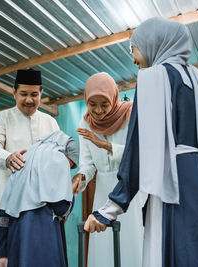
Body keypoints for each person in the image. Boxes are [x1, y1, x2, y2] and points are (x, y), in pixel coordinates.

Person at [84, 17, 198, 267]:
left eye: (134, 49)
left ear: (154, 43)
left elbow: (138, 150)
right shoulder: (197, 78)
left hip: (176, 181)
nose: (133, 59)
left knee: (178, 251)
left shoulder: (153, 77)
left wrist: (109, 210)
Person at [71, 72, 145, 267]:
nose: (98, 111)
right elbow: (88, 164)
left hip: (129, 190)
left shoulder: (130, 115)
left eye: (104, 104)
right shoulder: (85, 123)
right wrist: (81, 177)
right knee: (104, 248)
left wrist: (106, 146)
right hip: (103, 193)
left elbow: (139, 155)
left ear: (114, 97)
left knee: (133, 244)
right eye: (92, 104)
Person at [0, 69, 59, 216]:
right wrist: (8, 158)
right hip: (11, 206)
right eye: (24, 94)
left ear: (41, 93)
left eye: (34, 95)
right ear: (14, 93)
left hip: (45, 206)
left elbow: (57, 161)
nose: (29, 100)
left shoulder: (51, 123)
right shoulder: (1, 118)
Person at [0, 130, 78, 267]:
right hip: (44, 237)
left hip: (14, 240)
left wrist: (3, 254)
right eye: (68, 165)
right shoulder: (56, 162)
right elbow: (62, 207)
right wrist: (70, 199)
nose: (66, 170)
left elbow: (4, 215)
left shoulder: (21, 164)